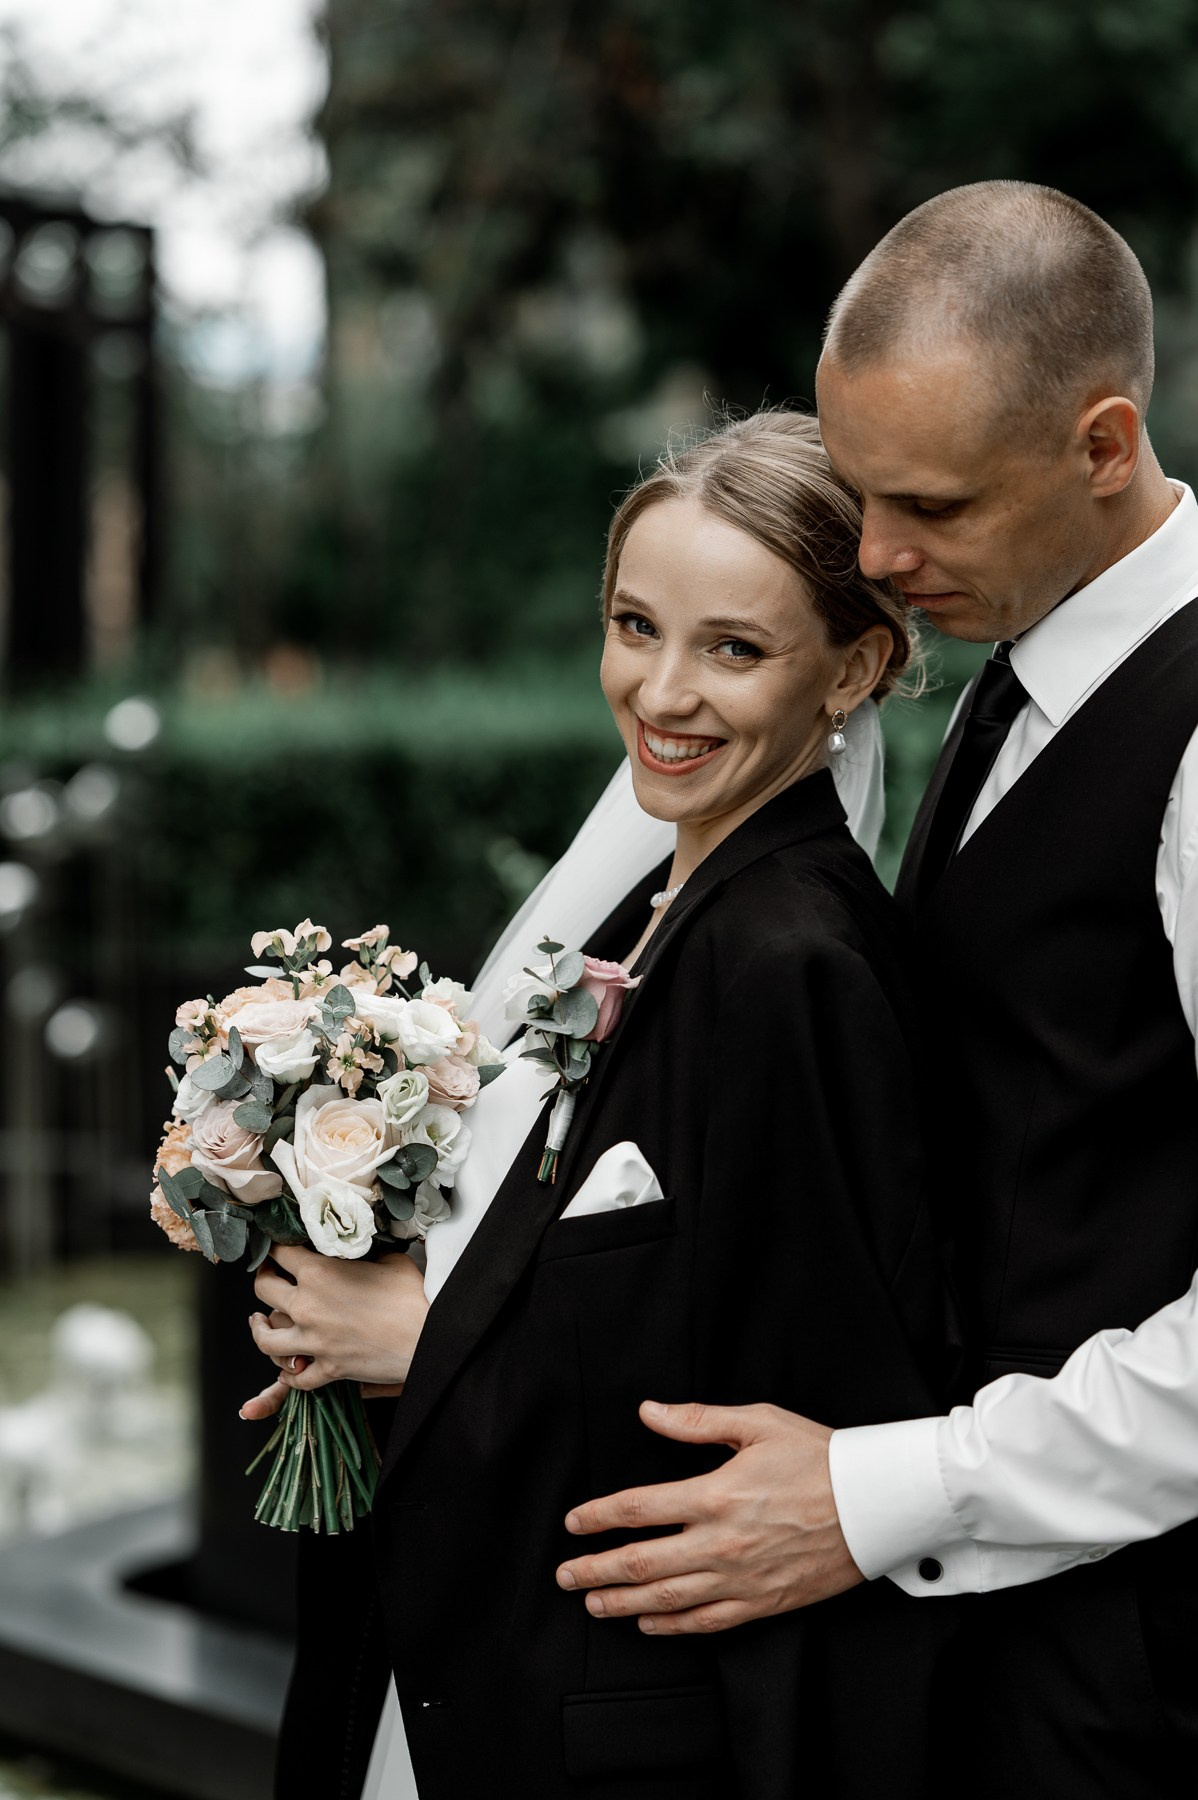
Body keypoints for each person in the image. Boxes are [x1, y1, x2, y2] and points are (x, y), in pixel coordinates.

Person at [553, 182, 1198, 1794]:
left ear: (1102, 446)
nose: (877, 561)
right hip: (994, 1650)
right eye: (856, 496)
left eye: (930, 508)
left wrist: (886, 1490)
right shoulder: (1024, 661)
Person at [245, 411, 959, 1798]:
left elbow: (794, 1421)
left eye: (732, 649)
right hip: (468, 1654)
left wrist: (425, 1340)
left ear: (853, 668)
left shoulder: (791, 966)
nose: (661, 692)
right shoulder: (651, 908)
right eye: (635, 627)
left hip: (618, 1731)